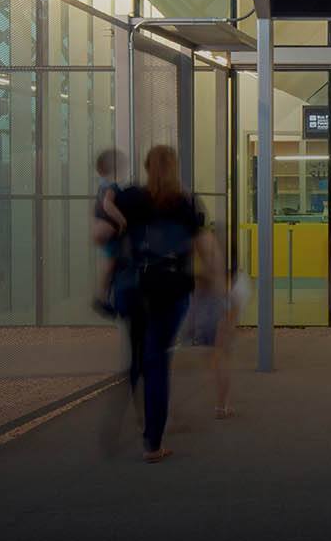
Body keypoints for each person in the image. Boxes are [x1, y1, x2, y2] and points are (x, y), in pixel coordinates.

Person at [114, 145, 201, 462]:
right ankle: (153, 441)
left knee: (141, 357)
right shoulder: (185, 202)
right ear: (176, 167)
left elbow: (106, 221)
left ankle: (142, 413)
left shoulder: (131, 197)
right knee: (158, 361)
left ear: (147, 166)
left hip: (136, 287)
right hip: (172, 288)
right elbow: (194, 242)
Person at [183, 230, 243, 418]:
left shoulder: (195, 251)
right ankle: (222, 405)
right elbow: (225, 292)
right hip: (216, 309)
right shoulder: (214, 255)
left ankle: (222, 405)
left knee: (215, 360)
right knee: (220, 359)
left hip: (206, 310)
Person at [89, 147, 128, 318]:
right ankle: (102, 298)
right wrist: (122, 221)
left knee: (112, 262)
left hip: (104, 229)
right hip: (110, 230)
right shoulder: (111, 187)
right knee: (111, 262)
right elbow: (107, 205)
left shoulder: (101, 185)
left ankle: (105, 297)